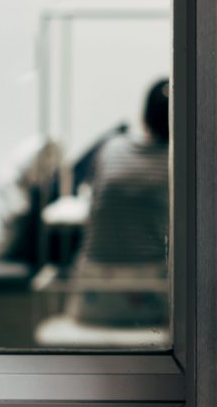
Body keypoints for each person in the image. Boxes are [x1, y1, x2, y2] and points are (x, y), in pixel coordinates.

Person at [67, 79, 170, 327]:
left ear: (143, 117)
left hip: (91, 299)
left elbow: (90, 196)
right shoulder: (178, 162)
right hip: (150, 300)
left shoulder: (111, 149)